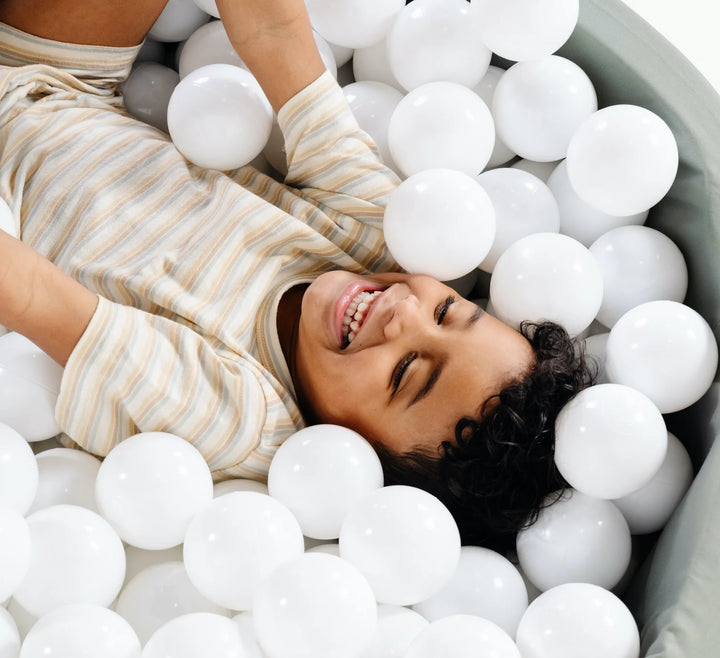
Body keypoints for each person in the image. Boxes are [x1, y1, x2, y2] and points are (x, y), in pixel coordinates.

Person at [0, 0, 590, 550]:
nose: (402, 313)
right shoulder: (373, 243)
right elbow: (276, 34)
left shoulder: (243, 418)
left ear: (356, 457)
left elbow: (30, 295)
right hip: (59, 80)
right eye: (447, 312)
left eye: (407, 371)